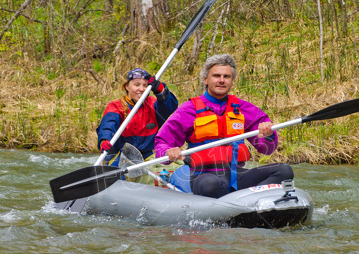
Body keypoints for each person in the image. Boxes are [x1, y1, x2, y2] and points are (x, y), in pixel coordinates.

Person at [155, 54, 293, 198]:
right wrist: (167, 152)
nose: (221, 80)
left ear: (232, 81)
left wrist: (268, 136)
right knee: (211, 184)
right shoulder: (189, 109)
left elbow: (267, 149)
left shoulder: (243, 108)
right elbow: (162, 142)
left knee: (284, 171)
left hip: (235, 175)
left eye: (226, 76)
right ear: (205, 80)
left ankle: (252, 202)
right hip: (203, 176)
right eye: (216, 76)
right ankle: (237, 205)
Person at [96, 68, 178, 166]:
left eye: (145, 85)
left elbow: (170, 107)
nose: (141, 89)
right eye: (137, 84)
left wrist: (161, 91)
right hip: (120, 154)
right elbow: (108, 125)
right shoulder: (116, 107)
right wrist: (105, 140)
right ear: (127, 86)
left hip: (146, 155)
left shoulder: (153, 104)